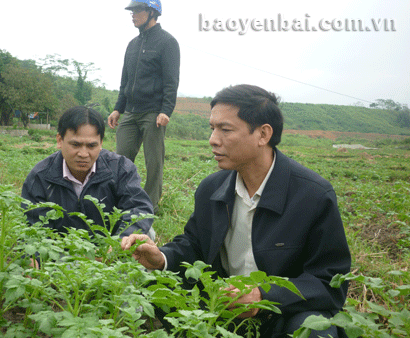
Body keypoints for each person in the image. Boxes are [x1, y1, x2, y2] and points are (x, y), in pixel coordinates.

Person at [121, 85, 351, 337]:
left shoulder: (313, 195)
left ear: (263, 134)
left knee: (314, 329)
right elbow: (195, 245)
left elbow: (329, 283)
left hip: (282, 315)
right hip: (223, 308)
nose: (213, 139)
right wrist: (161, 257)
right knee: (161, 294)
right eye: (212, 129)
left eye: (225, 129)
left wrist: (262, 295)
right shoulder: (212, 188)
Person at [22, 106, 155, 254]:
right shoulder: (41, 177)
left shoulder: (121, 168)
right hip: (62, 257)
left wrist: (121, 242)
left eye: (92, 145)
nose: (84, 154)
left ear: (101, 143)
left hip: (112, 253)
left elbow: (139, 209)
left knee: (145, 235)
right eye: (75, 144)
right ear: (60, 140)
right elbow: (33, 228)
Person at [108, 0, 180, 214]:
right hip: (130, 112)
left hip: (153, 113)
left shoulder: (168, 42)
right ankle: (118, 201)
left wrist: (166, 110)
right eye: (131, 11)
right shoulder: (132, 44)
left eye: (136, 10)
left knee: (153, 163)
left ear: (151, 12)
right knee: (120, 160)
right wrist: (117, 108)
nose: (132, 15)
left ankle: (149, 208)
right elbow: (125, 80)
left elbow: (171, 80)